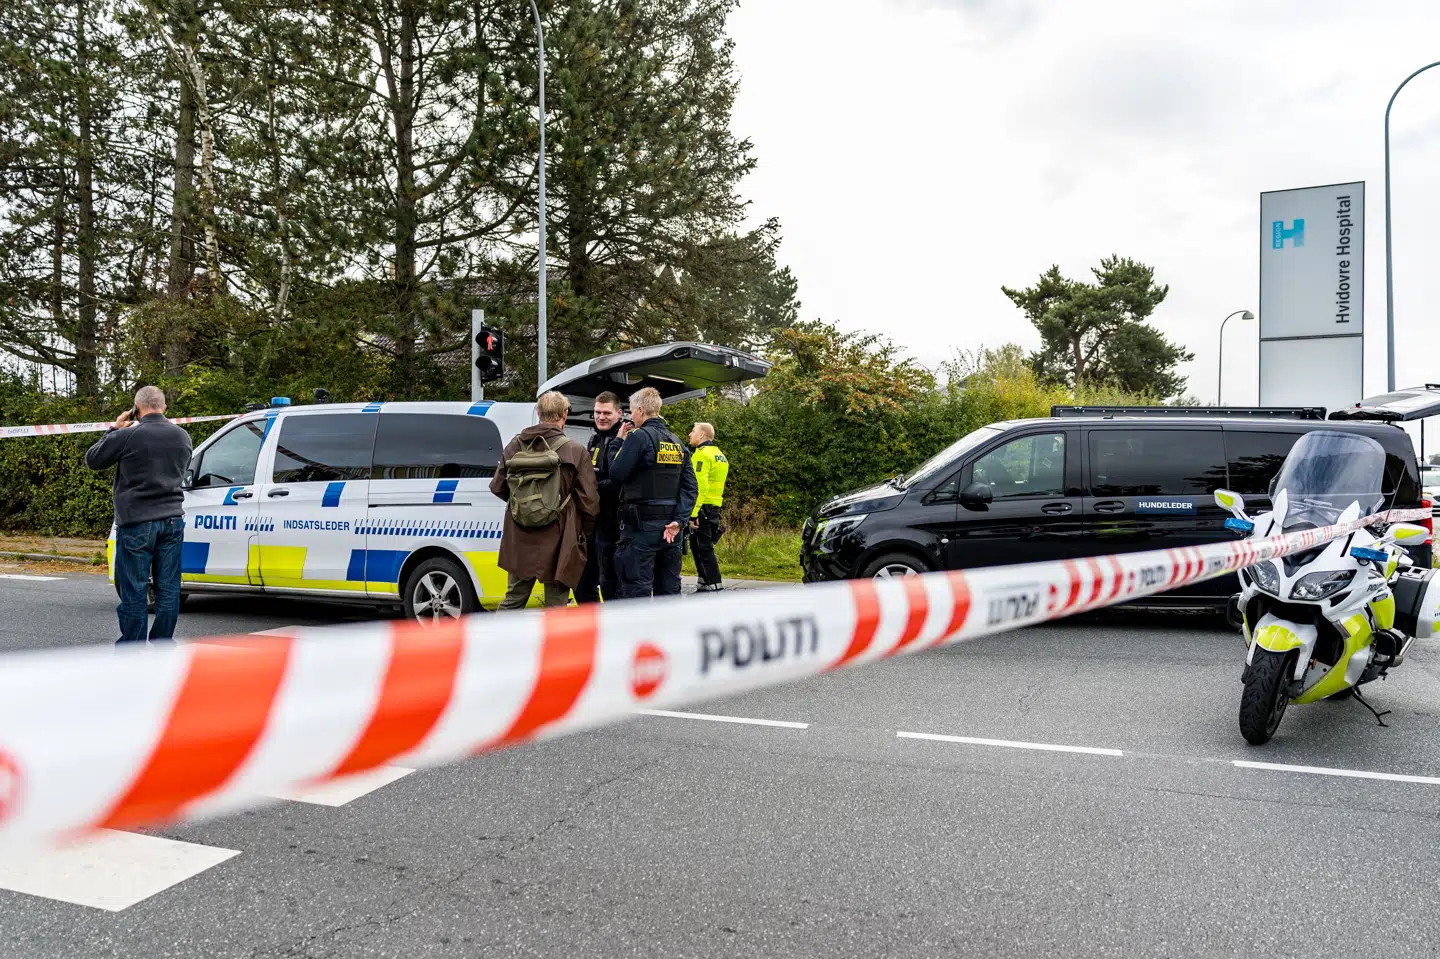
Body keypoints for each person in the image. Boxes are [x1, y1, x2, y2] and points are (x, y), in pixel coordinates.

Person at [84, 386, 193, 645]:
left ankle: (132, 650)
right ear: (164, 407)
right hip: (173, 521)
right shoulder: (182, 436)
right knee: (168, 589)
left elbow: (93, 459)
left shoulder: (129, 435)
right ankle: (162, 644)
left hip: (137, 523)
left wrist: (114, 429)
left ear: (136, 408)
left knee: (134, 589)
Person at [489, 390, 599, 609]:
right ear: (565, 415)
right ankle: (552, 644)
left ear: (538, 413)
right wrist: (582, 530)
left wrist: (525, 508)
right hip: (561, 534)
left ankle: (500, 643)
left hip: (520, 533)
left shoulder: (514, 446)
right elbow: (589, 501)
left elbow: (498, 487)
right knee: (556, 604)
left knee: (513, 599)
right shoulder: (574, 451)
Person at [609, 387, 698, 598]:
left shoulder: (638, 438)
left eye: (632, 411)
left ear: (640, 410)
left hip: (641, 531)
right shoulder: (676, 442)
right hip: (671, 532)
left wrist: (617, 442)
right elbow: (691, 487)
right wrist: (679, 521)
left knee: (636, 592)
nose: (632, 416)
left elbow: (616, 474)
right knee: (668, 593)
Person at [574, 391, 624, 604]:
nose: (601, 417)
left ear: (619, 413)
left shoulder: (624, 440)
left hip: (613, 524)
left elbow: (618, 482)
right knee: (582, 584)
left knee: (610, 584)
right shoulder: (594, 439)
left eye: (606, 413)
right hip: (591, 523)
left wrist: (590, 488)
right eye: (597, 412)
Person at [687, 422, 729, 593]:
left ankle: (713, 584)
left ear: (702, 435)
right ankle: (705, 582)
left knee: (702, 547)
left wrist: (693, 513)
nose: (690, 434)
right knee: (702, 545)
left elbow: (699, 487)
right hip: (714, 507)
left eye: (693, 431)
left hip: (702, 508)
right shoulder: (720, 455)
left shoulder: (701, 455)